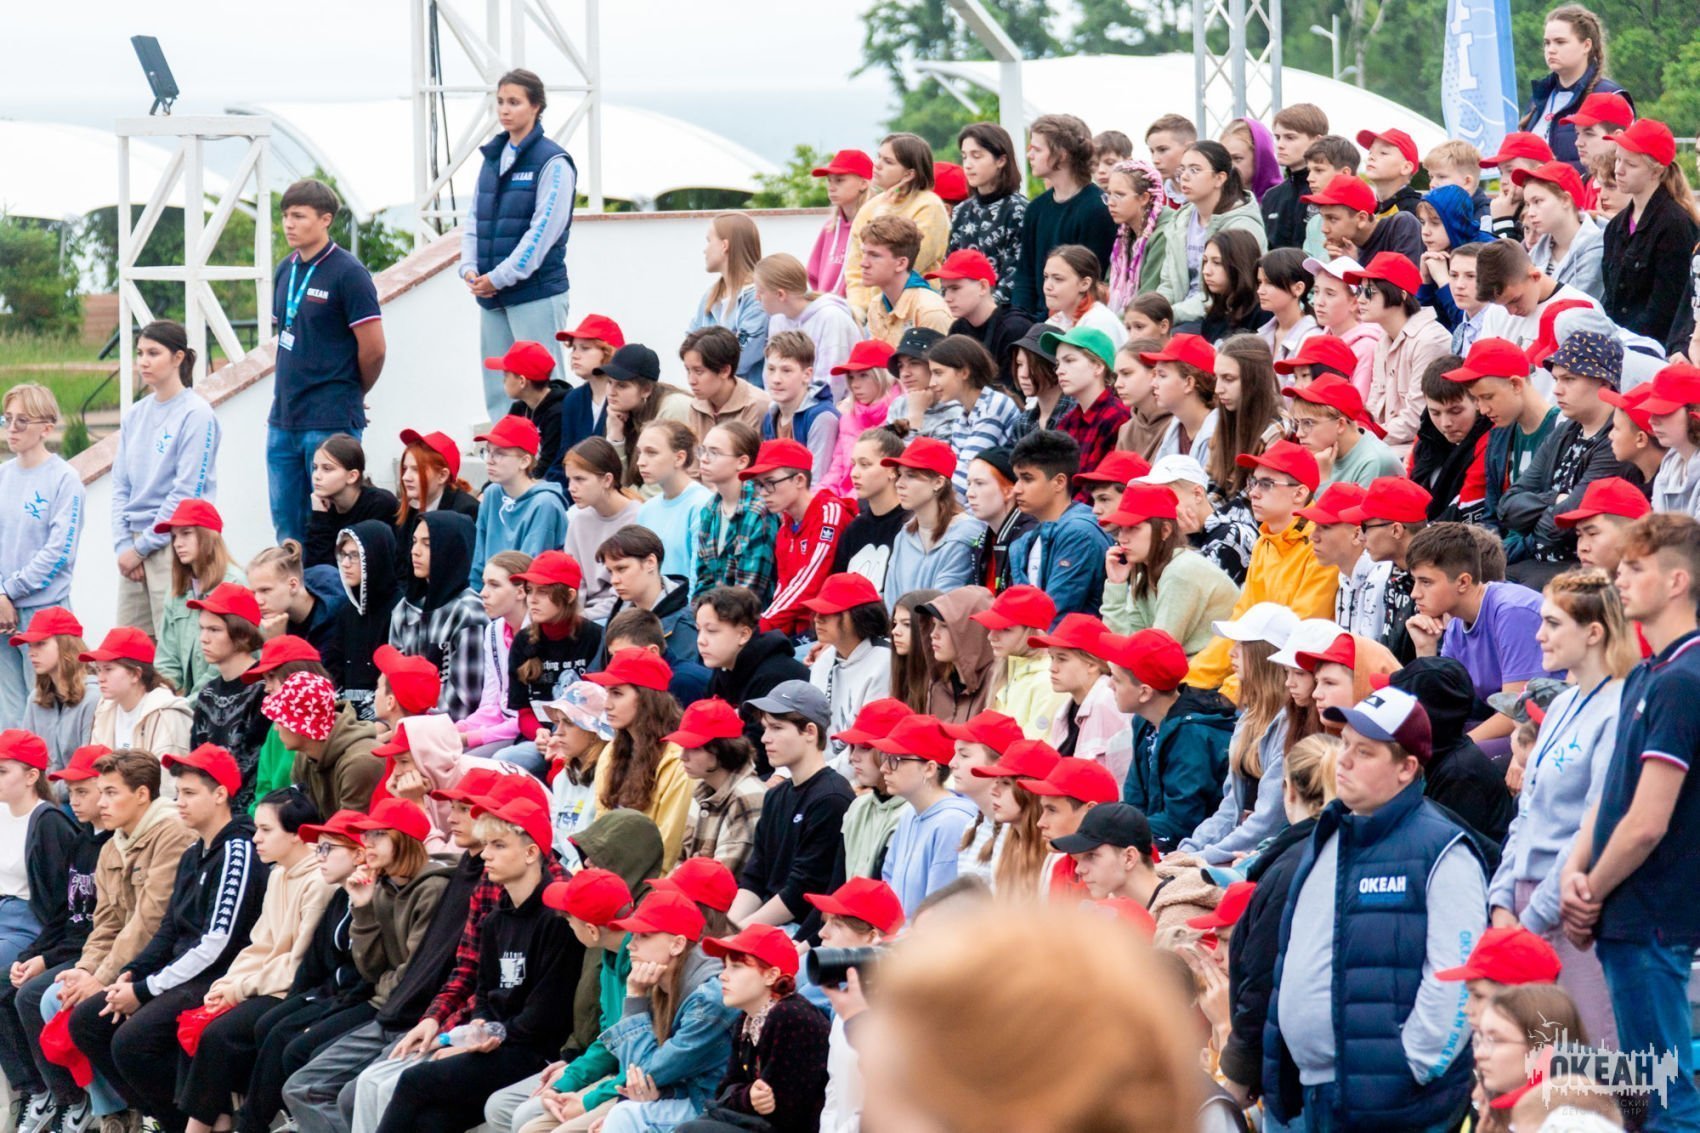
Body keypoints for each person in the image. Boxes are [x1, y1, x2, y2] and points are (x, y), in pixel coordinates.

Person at [1263, 685, 1487, 1132]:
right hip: (1314, 1096)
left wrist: (1412, 1068)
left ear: (1406, 768)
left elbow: (1457, 978)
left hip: (1394, 1108)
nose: (1343, 760)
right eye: (1344, 743)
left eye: (1364, 752)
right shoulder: (1330, 834)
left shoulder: (1442, 850)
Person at [1560, 514, 1700, 1131]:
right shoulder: (1648, 672)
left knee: (1665, 1096)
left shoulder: (1683, 682)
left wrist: (1590, 891)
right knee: (1644, 1090)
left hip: (1651, 916)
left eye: (1635, 569)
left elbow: (1647, 821)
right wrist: (1575, 869)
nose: (1619, 579)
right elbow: (1613, 794)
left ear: (1676, 582)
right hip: (1624, 911)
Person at [69, 746, 265, 1133]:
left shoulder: (237, 850)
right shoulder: (194, 852)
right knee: (89, 1021)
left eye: (190, 793)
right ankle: (170, 1116)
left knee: (132, 1041)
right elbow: (169, 928)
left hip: (218, 975)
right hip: (179, 969)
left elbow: (216, 944)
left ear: (220, 794)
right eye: (178, 793)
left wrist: (145, 990)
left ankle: (193, 1120)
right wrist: (131, 973)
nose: (180, 803)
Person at [1485, 570, 1633, 1045]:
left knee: (1590, 1059)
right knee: (1536, 1061)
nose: (1538, 635)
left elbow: (1594, 824)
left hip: (1570, 909)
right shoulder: (1563, 705)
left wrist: (1534, 916)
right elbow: (1526, 812)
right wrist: (1502, 898)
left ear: (1593, 633)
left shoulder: (1619, 710)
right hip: (1526, 902)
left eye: (1552, 624)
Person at [372, 798, 578, 1133]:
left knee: (414, 1080)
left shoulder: (555, 921)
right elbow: (483, 991)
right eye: (486, 845)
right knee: (432, 1122)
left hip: (534, 1051)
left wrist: (487, 1037)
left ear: (530, 853)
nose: (485, 855)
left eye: (498, 845)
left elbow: (545, 1016)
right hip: (498, 1042)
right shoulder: (495, 919)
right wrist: (479, 1026)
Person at [27, 751, 194, 1130]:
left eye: (111, 792)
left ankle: (160, 1114)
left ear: (142, 795)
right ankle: (123, 1112)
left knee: (93, 1017)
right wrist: (86, 970)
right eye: (99, 792)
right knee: (61, 999)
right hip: (127, 960)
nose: (101, 803)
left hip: (165, 959)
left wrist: (101, 978)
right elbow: (105, 923)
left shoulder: (172, 835)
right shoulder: (112, 846)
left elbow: (150, 920)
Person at [174, 787, 331, 1133]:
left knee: (218, 1034)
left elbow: (298, 964)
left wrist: (239, 989)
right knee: (194, 1020)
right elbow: (260, 944)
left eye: (266, 830)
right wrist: (228, 984)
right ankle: (217, 1121)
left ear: (297, 834)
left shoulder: (320, 883)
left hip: (292, 989)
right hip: (263, 982)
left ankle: (201, 1127)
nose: (255, 838)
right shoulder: (278, 873)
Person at [1215, 733, 1338, 1106]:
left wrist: (1239, 1072)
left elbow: (1263, 976)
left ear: (1288, 790)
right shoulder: (1351, 847)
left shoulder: (1291, 867)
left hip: (1295, 1073)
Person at [268, 179, 385, 543]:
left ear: (325, 220)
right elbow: (284, 334)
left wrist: (353, 391)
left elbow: (374, 349)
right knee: (287, 527)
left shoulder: (348, 273)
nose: (289, 224)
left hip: (330, 419)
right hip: (284, 418)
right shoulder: (285, 269)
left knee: (332, 525)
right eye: (285, 216)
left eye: (299, 216)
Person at [460, 69, 575, 422]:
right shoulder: (492, 157)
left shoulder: (553, 162)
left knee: (544, 384)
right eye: (500, 102)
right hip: (491, 295)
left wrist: (499, 276)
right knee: (501, 386)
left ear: (536, 106)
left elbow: (542, 233)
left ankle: (552, 448)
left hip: (535, 292)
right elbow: (474, 219)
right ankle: (504, 445)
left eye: (514, 102)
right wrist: (469, 268)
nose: (505, 110)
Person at [1188, 441, 1338, 696]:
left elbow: (1295, 637)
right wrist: (1192, 679)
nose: (1253, 493)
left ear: (1299, 494)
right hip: (1255, 682)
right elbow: (1242, 620)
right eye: (1253, 482)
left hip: (1292, 689)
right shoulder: (1265, 542)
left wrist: (1231, 692)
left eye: (1266, 484)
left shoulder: (1320, 544)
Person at [111, 320, 221, 635]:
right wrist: (124, 547)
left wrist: (142, 549)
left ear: (178, 357)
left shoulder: (196, 414)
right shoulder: (135, 414)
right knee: (130, 647)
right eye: (140, 353)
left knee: (176, 641)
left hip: (175, 544)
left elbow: (187, 492)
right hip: (134, 547)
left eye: (153, 353)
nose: (143, 361)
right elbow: (121, 486)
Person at [1498, 331, 1625, 583]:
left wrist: (1537, 516)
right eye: (1556, 379)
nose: (1557, 390)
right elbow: (1507, 506)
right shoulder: (1566, 430)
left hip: (1582, 568)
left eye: (1569, 379)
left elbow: (1557, 528)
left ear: (1604, 382)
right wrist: (1555, 499)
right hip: (1538, 562)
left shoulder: (1617, 439)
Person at [732, 682, 854, 937]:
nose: (765, 738)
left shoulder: (832, 797)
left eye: (776, 728)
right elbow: (755, 875)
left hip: (803, 933)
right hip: (768, 923)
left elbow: (802, 890)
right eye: (765, 728)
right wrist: (729, 928)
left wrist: (742, 932)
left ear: (810, 731)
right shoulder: (775, 796)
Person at [1181, 605, 1300, 862]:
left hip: (1268, 858)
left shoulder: (1292, 726)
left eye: (1242, 645)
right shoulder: (1249, 717)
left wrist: (1201, 859)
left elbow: (1268, 823)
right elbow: (1229, 810)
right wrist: (1188, 851)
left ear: (1265, 654)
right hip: (1237, 854)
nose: (1231, 652)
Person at [1103, 628, 1235, 850]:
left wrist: (1116, 836)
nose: (1109, 685)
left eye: (1116, 679)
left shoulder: (1192, 737)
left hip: (1195, 848)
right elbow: (1135, 799)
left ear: (1145, 693)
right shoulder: (1144, 721)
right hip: (1156, 833)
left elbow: (1181, 821)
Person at [0, 384, 84, 728]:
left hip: (45, 612)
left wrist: (10, 590)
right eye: (7, 419)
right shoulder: (3, 476)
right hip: (3, 611)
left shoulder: (64, 480)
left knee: (50, 706)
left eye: (22, 421)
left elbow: (59, 551)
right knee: (10, 712)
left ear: (46, 428)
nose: (12, 428)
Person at [582, 648, 691, 869]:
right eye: (607, 693)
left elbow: (667, 850)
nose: (607, 704)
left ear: (647, 699)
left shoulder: (679, 760)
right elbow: (601, 827)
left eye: (617, 693)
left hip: (648, 881)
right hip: (609, 873)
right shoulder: (611, 751)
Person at [1099, 483, 1237, 653]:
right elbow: (1126, 646)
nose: (1122, 538)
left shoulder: (1181, 571)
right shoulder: (1145, 573)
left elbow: (1159, 654)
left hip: (1216, 666)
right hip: (1190, 665)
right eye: (1121, 529)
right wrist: (1116, 584)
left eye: (1133, 528)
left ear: (1165, 530)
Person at [736, 440, 850, 640]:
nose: (763, 493)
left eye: (770, 482)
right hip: (799, 632)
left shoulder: (829, 513)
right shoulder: (785, 528)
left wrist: (760, 627)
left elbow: (809, 582)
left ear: (799, 480)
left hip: (828, 631)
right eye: (759, 485)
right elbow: (784, 588)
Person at [1601, 118, 1700, 346]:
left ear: (1656, 171)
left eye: (1630, 164)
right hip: (1620, 342)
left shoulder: (1675, 225)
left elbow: (1667, 309)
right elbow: (1611, 298)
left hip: (1654, 347)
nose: (1618, 170)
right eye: (1618, 159)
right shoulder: (1615, 227)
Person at [1009, 115, 1115, 320]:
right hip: (1036, 318)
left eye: (1037, 149)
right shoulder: (1036, 208)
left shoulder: (1096, 210)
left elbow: (1091, 283)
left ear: (1062, 155)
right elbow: (1025, 276)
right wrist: (1018, 317)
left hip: (1074, 318)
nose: (1030, 155)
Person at [870, 716, 977, 915]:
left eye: (895, 760)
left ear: (929, 769)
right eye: (885, 757)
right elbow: (888, 884)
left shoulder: (953, 823)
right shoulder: (909, 813)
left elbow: (939, 913)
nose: (884, 768)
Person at [389, 511, 489, 719]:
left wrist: (412, 720)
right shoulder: (404, 608)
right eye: (414, 542)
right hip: (404, 720)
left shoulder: (468, 613)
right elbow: (392, 680)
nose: (415, 551)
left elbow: (463, 700)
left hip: (451, 727)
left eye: (427, 544)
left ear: (450, 549)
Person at [1007, 429, 1113, 623]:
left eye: (1027, 479)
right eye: (1017, 479)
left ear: (1059, 482)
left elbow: (1055, 617)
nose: (1016, 489)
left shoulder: (1080, 534)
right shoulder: (1023, 542)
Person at [1158, 140, 1268, 326]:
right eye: (1182, 169)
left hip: (1222, 317)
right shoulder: (1180, 220)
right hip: (1176, 316)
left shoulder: (1242, 226)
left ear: (1220, 178)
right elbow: (1168, 283)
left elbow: (1230, 291)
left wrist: (1169, 315)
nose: (1184, 177)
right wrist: (1153, 311)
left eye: (1195, 170)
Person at [844, 133, 951, 323]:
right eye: (878, 157)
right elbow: (855, 267)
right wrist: (858, 310)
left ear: (909, 174)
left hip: (916, 307)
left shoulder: (929, 206)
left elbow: (907, 264)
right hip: (874, 313)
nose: (877, 165)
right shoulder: (870, 207)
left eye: (888, 161)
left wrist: (882, 214)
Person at [696, 587, 808, 765]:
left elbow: (760, 752)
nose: (700, 640)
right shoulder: (723, 668)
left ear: (743, 634)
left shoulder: (774, 676)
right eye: (699, 630)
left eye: (712, 631)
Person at [146, 499, 244, 700]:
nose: (177, 543)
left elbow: (229, 662)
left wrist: (185, 705)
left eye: (186, 533)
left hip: (228, 699)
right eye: (174, 536)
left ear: (208, 535)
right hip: (186, 703)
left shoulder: (235, 584)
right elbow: (166, 658)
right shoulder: (176, 590)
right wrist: (164, 698)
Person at [186, 583, 270, 810]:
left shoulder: (265, 690)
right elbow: (197, 759)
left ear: (242, 633)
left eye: (214, 630)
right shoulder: (207, 694)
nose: (203, 638)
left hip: (250, 815)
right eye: (202, 628)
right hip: (209, 812)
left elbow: (256, 767)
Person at [262, 670, 381, 820]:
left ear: (301, 725)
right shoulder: (303, 758)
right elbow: (299, 821)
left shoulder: (360, 762)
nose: (276, 728)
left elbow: (350, 830)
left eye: (280, 720)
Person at [1518, 4, 1628, 164]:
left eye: (1560, 42)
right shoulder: (1540, 97)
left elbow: (1625, 162)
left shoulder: (1609, 95)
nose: (1551, 50)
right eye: (1547, 43)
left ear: (1586, 45)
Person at [880, 438, 988, 602]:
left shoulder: (965, 534)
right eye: (900, 475)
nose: (899, 484)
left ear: (938, 483)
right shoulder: (904, 535)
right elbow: (891, 598)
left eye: (911, 476)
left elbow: (941, 604)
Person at [468, 415, 568, 586]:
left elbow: (529, 569)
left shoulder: (545, 503)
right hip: (489, 593)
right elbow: (478, 558)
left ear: (524, 461)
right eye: (487, 451)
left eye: (500, 454)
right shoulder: (492, 494)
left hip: (525, 595)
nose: (490, 460)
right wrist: (477, 595)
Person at [802, 573, 891, 764]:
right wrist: (783, 773)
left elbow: (868, 743)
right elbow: (805, 729)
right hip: (821, 768)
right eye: (816, 611)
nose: (817, 619)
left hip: (860, 770)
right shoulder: (824, 659)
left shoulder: (885, 660)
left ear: (859, 617)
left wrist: (817, 774)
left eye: (828, 612)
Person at [1026, 614, 1122, 773]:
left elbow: (1117, 776)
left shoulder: (1107, 702)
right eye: (1052, 658)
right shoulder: (1068, 707)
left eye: (1062, 659)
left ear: (1092, 665)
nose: (1052, 668)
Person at [755, 255, 860, 398]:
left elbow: (832, 384)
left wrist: (802, 409)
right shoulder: (777, 319)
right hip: (788, 406)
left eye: (760, 292)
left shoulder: (832, 318)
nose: (756, 297)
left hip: (828, 408)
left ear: (780, 295)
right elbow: (770, 374)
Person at [1045, 328, 1130, 500]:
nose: (1059, 370)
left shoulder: (1117, 417)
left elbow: (1101, 490)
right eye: (1058, 363)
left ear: (1098, 367)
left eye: (1070, 360)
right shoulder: (1067, 422)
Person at [948, 123, 1027, 307]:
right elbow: (951, 266)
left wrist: (984, 310)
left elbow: (1015, 275)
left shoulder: (1018, 210)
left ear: (1001, 160)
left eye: (977, 156)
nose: (968, 165)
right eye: (964, 157)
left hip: (1004, 312)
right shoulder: (961, 210)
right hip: (962, 309)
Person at [595, 527, 698, 669]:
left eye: (621, 569)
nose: (614, 580)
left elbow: (685, 679)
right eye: (610, 571)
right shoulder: (616, 616)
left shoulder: (686, 623)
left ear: (650, 562)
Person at [82, 629, 192, 759]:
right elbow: (95, 765)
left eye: (108, 669)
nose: (100, 678)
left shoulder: (167, 715)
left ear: (136, 674)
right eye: (98, 670)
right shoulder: (104, 709)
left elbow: (168, 771)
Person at [13, 609, 97, 778]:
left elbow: (90, 769)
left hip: (80, 791)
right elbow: (26, 761)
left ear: (66, 645)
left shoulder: (93, 697)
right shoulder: (36, 699)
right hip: (43, 789)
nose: (31, 653)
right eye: (30, 645)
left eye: (41, 643)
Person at [248, 540, 345, 684]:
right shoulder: (275, 621)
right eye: (254, 592)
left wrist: (279, 643)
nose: (258, 600)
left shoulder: (336, 617)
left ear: (293, 585)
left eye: (265, 590)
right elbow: (268, 686)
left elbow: (314, 687)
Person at [832, 699, 910, 878]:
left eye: (865, 748)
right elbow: (837, 884)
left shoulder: (912, 813)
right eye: (852, 747)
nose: (852, 757)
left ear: (894, 751)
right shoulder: (857, 807)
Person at [1284, 370, 1403, 488]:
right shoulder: (1323, 452)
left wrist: (1323, 479)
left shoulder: (1373, 461)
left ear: (1340, 425)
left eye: (1308, 423)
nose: (1299, 434)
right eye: (1297, 423)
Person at [688, 213, 769, 385]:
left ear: (724, 245)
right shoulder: (711, 296)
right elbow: (689, 348)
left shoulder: (757, 297)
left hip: (747, 398)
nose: (705, 250)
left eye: (709, 241)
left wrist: (705, 352)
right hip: (712, 397)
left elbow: (741, 358)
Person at [303, 434, 399, 570]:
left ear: (352, 476)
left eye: (327, 468)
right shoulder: (323, 506)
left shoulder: (380, 504)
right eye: (315, 467)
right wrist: (320, 516)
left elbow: (366, 567)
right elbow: (317, 570)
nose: (316, 476)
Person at [482, 341, 570, 488]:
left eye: (506, 376)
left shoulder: (558, 412)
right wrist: (487, 489)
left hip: (543, 487)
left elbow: (547, 464)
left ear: (522, 381)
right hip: (521, 481)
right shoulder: (519, 408)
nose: (503, 381)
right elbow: (500, 449)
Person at [758, 331, 840, 486]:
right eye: (771, 369)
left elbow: (816, 482)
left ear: (807, 375)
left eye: (786, 371)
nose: (776, 379)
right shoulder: (771, 416)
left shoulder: (821, 418)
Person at [859, 216, 951, 347]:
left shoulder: (929, 310)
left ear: (901, 263)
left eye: (875, 255)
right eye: (864, 253)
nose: (863, 263)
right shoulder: (876, 305)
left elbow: (939, 360)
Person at [1306, 172, 1424, 269]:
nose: (1324, 229)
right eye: (1323, 218)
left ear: (1362, 218)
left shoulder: (1401, 225)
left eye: (1332, 219)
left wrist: (1355, 267)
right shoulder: (1349, 250)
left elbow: (1403, 288)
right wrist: (1339, 268)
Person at [1303, 255, 1382, 398]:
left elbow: (1358, 401)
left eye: (1330, 294)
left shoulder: (1366, 347)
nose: (1319, 301)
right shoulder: (1321, 339)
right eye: (1316, 291)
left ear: (1354, 302)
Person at [1142, 333, 1220, 465]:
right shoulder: (1175, 427)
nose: (1153, 383)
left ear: (1189, 383)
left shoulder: (1217, 435)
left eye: (1162, 375)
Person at [1261, 103, 1329, 251]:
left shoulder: (1329, 192)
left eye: (1290, 137)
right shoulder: (1271, 196)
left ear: (1317, 141)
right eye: (1277, 137)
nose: (1280, 144)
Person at [806, 149, 873, 297]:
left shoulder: (875, 226)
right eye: (829, 180)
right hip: (828, 307)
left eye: (840, 180)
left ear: (863, 183)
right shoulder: (830, 227)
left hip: (859, 308)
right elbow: (813, 274)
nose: (831, 187)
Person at [1105, 161, 1171, 307]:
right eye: (1109, 194)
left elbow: (1148, 297)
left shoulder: (1163, 234)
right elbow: (1107, 286)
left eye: (1119, 195)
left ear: (1144, 198)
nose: (1110, 202)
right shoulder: (1125, 234)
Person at [554, 314, 621, 453]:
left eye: (585, 348)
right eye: (574, 348)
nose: (575, 355)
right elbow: (564, 455)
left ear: (609, 351)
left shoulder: (625, 397)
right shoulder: (573, 399)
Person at [1197, 230, 1267, 343]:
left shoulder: (1263, 314)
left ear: (1240, 265)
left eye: (1217, 263)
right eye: (1205, 261)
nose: (1206, 271)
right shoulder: (1215, 314)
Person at [1113, 339, 1175, 460]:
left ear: (1154, 374)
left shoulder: (1178, 426)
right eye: (1116, 376)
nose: (1117, 384)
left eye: (1126, 373)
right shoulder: (1126, 430)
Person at [1257, 247, 1320, 360]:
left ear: (1298, 288)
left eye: (1269, 283)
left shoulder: (1313, 337)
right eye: (1260, 282)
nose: (1260, 291)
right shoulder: (1262, 335)